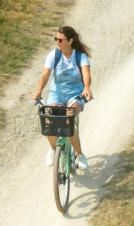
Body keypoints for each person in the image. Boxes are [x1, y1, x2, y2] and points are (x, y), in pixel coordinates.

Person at [33, 26, 93, 170]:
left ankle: (79, 155)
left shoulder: (80, 56)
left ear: (70, 41)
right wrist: (38, 90)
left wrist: (86, 88)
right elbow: (45, 74)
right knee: (49, 118)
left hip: (75, 93)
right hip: (56, 93)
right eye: (56, 39)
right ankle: (54, 149)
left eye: (60, 40)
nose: (57, 42)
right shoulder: (54, 55)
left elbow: (86, 73)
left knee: (68, 120)